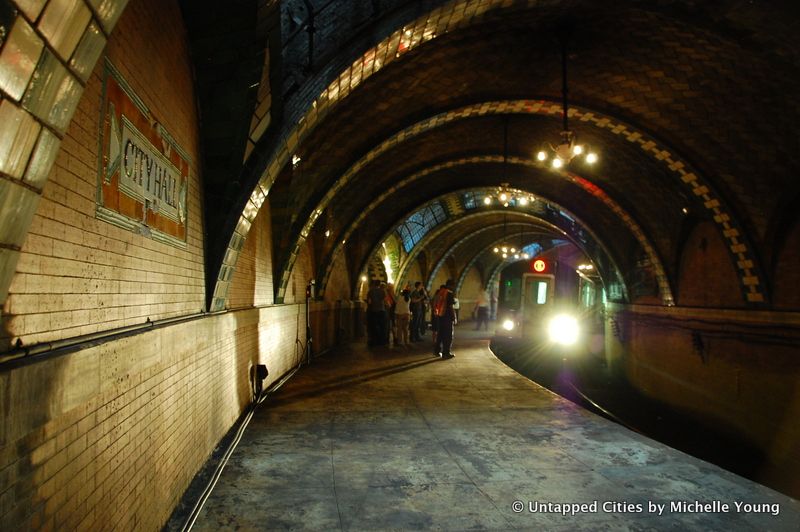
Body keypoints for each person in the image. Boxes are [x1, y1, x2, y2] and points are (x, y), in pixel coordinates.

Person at [434, 279, 457, 358]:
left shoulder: (441, 292)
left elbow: (435, 302)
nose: (454, 287)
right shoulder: (449, 293)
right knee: (448, 335)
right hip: (447, 316)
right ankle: (446, 353)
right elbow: (450, 306)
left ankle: (436, 351)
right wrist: (454, 317)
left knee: (440, 334)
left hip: (440, 315)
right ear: (451, 285)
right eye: (454, 285)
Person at [366, 280, 387, 346]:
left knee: (374, 326)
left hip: (374, 310)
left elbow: (369, 301)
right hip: (382, 310)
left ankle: (374, 341)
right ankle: (382, 341)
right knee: (382, 326)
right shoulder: (382, 291)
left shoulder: (370, 291)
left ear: (374, 284)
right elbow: (385, 300)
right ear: (379, 284)